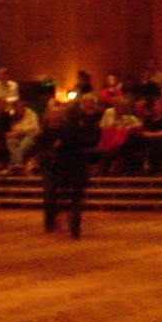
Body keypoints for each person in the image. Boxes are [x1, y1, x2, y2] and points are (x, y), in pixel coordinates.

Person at [37, 94, 103, 239]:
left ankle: (69, 224)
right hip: (58, 167)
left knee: (70, 195)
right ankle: (52, 221)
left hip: (68, 167)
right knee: (53, 193)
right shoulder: (47, 133)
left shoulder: (67, 131)